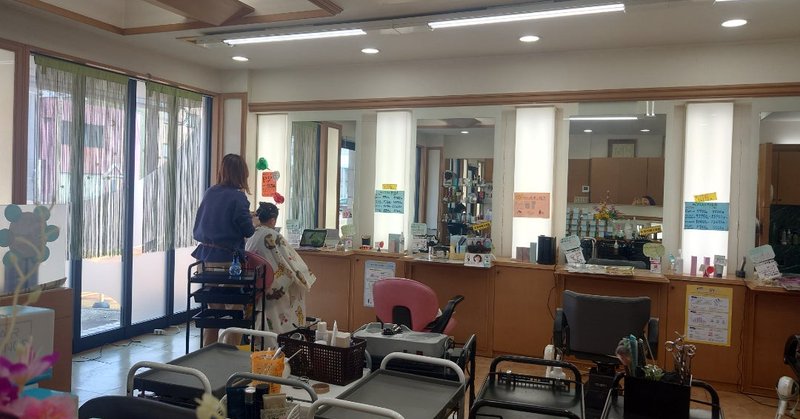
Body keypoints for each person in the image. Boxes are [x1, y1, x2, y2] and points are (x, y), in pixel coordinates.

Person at [192, 153, 255, 346]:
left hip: (205, 260)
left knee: (213, 311)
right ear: (242, 174)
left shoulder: (210, 192)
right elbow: (248, 230)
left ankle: (208, 350)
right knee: (235, 309)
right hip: (228, 261)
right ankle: (230, 352)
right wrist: (252, 219)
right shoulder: (238, 197)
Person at [246, 202, 316, 334]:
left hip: (256, 284)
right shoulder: (272, 235)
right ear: (273, 220)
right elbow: (291, 261)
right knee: (296, 286)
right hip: (272, 285)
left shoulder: (252, 235)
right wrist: (304, 275)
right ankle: (287, 336)